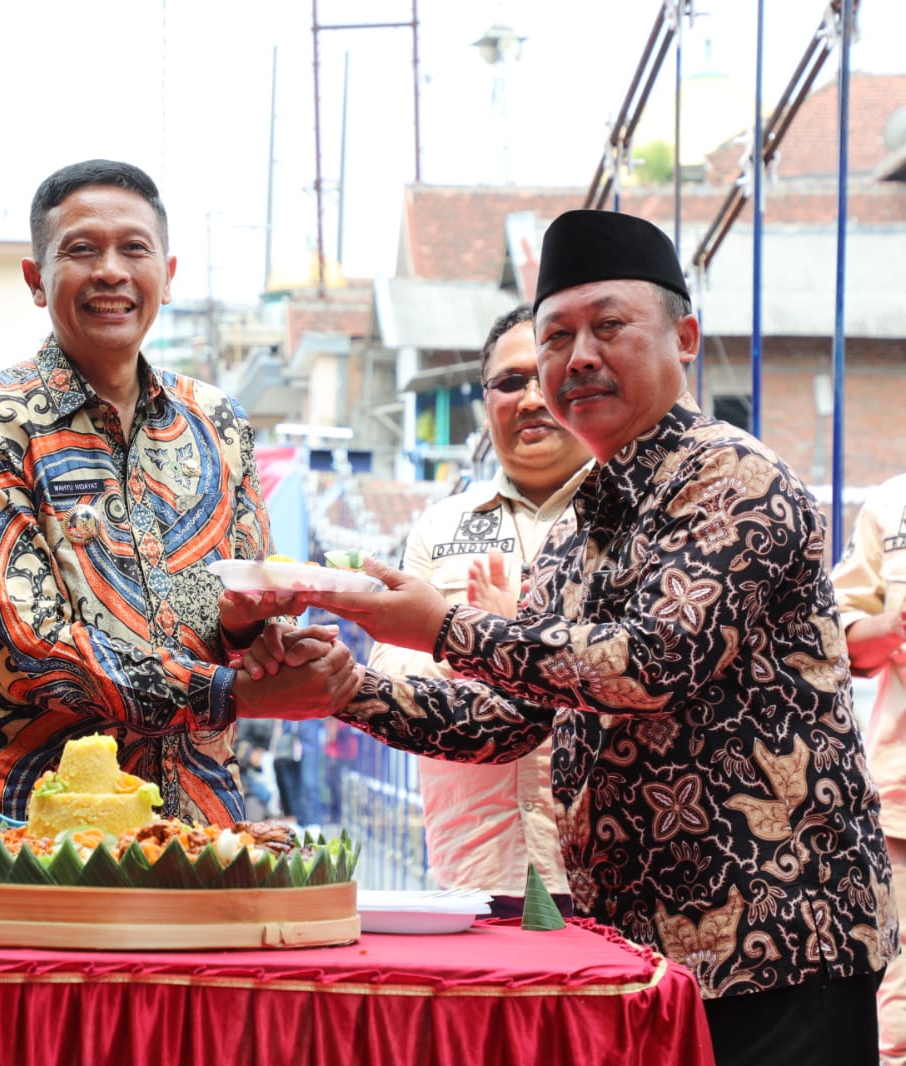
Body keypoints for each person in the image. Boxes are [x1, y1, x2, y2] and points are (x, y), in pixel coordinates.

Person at [299, 209, 894, 1066]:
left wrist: (442, 626)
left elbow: (652, 663)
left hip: (777, 942)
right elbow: (507, 718)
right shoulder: (580, 529)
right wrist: (341, 689)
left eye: (608, 327)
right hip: (633, 955)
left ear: (684, 336)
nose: (576, 358)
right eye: (555, 338)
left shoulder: (734, 479)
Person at [0, 159, 362, 828]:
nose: (110, 270)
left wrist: (270, 637)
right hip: (36, 831)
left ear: (168, 273)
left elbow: (244, 602)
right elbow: (30, 653)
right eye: (81, 249)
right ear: (35, 281)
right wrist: (231, 691)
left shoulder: (218, 423)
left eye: (134, 248)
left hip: (201, 826)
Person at [367, 304, 591, 902]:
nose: (530, 398)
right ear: (485, 399)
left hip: (605, 864)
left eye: (545, 378)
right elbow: (388, 668)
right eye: (509, 382)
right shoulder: (439, 528)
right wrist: (471, 640)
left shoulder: (629, 519)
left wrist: (503, 642)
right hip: (473, 865)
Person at [831, 472, 906, 1063]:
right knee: (895, 1017)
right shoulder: (893, 501)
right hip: (902, 802)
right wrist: (891, 626)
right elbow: (844, 639)